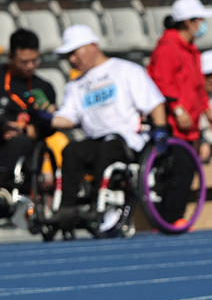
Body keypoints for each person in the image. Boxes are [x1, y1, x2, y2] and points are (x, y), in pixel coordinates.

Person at [47, 25, 169, 226]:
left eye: (74, 53)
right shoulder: (75, 85)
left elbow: (154, 103)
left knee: (108, 147)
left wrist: (161, 129)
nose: (71, 60)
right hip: (95, 139)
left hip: (127, 139)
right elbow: (68, 117)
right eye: (68, 55)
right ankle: (67, 207)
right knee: (71, 151)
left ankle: (97, 204)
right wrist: (45, 118)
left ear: (92, 46)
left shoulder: (126, 70)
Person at [0, 29, 57, 201]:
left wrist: (24, 130)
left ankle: (2, 191)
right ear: (10, 57)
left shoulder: (43, 88)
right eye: (24, 62)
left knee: (20, 142)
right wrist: (1, 125)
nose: (30, 66)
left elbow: (48, 128)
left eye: (34, 61)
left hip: (22, 146)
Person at [148, 0, 212, 221]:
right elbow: (161, 82)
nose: (202, 24)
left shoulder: (191, 50)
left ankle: (173, 218)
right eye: (199, 19)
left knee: (186, 173)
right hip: (172, 126)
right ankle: (169, 219)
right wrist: (177, 109)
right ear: (188, 22)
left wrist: (207, 110)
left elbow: (197, 86)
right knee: (178, 172)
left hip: (190, 127)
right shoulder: (168, 48)